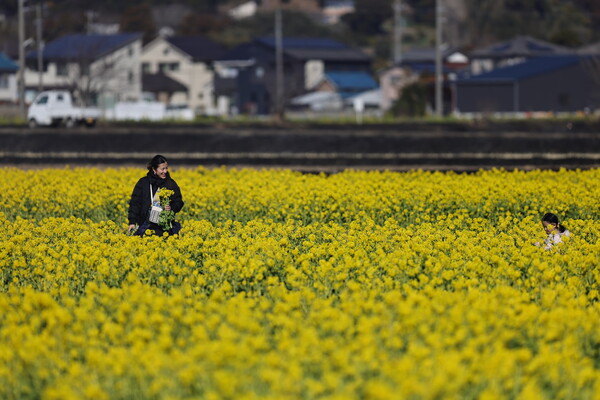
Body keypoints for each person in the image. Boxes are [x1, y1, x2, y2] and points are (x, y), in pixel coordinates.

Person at [128, 154, 184, 236]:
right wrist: (132, 222)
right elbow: (135, 203)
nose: (165, 171)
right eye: (162, 169)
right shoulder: (144, 183)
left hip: (164, 227)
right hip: (146, 225)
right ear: (154, 169)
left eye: (166, 168)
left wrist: (171, 207)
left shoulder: (170, 183)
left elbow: (179, 201)